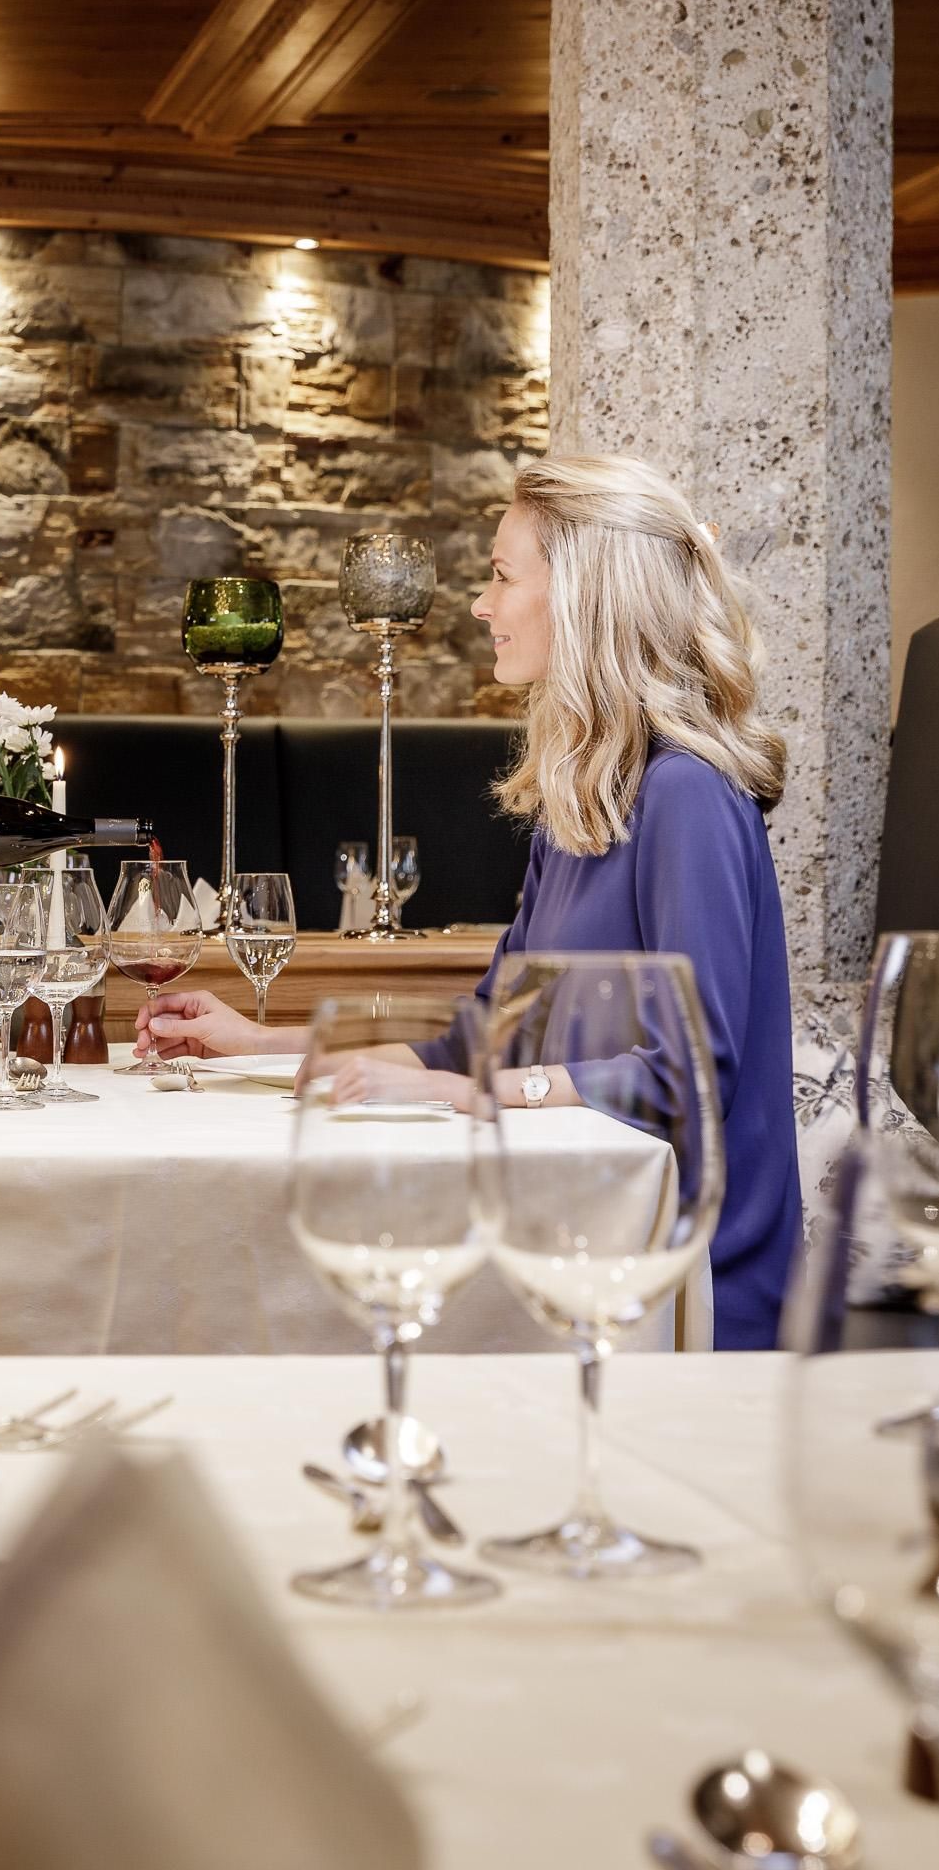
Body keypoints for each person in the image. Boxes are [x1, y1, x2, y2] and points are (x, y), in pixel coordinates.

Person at [136, 453, 801, 1346]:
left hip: (686, 1289)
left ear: (585, 593)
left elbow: (691, 1076)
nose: (482, 605)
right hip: (578, 1237)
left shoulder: (686, 794)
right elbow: (484, 1034)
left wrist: (471, 1099)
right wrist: (258, 1042)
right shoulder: (584, 803)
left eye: (500, 575)